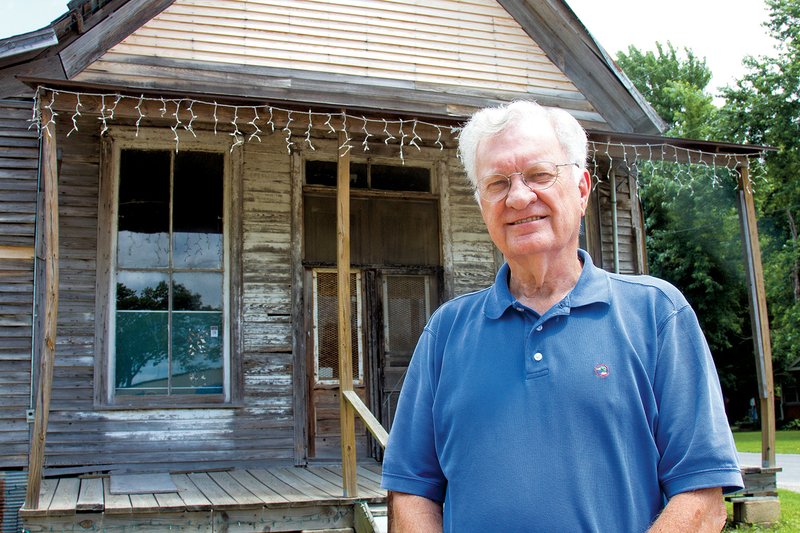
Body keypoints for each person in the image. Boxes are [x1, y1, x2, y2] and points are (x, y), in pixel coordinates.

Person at [380, 100, 743, 532]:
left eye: (539, 175)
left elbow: (703, 497)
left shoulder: (658, 316)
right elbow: (410, 490)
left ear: (582, 190)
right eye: (497, 183)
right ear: (482, 207)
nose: (518, 197)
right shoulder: (444, 333)